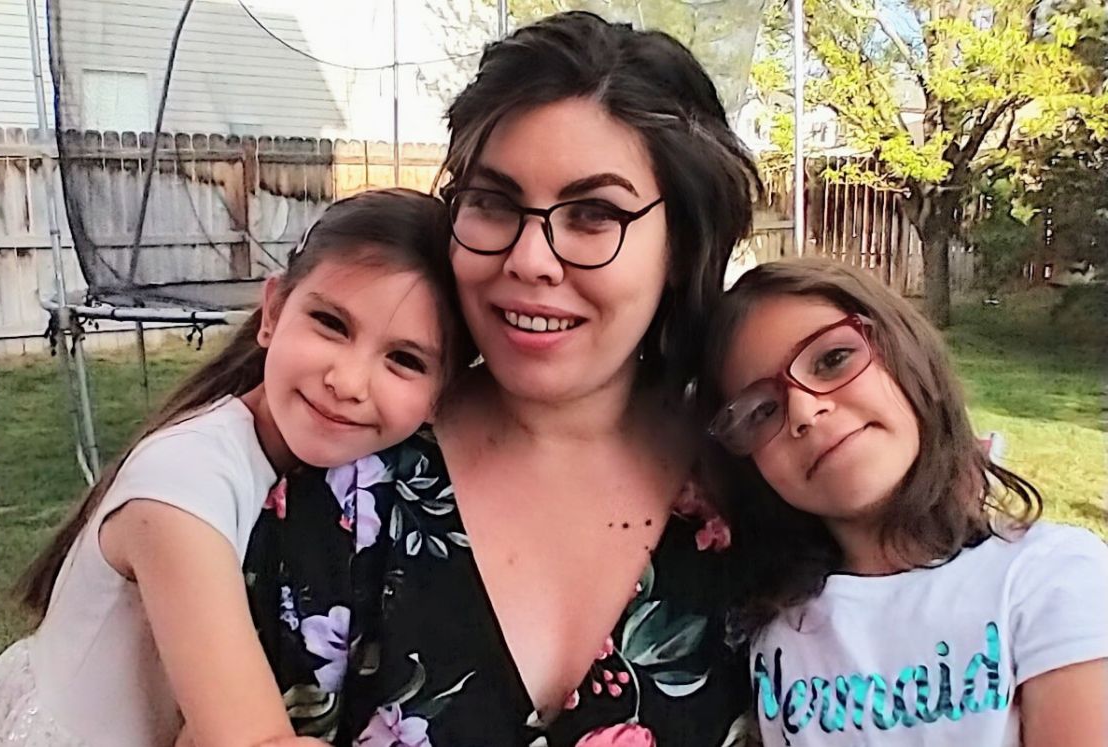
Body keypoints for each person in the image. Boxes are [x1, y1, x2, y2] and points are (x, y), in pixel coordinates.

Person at [244, 11, 762, 747]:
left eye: (592, 214)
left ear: (680, 243)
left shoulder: (759, 489)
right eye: (493, 203)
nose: (530, 260)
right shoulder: (352, 477)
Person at [0, 189, 469, 747]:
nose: (348, 382)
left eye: (404, 360)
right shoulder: (184, 489)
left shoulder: (311, 468)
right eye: (331, 324)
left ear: (445, 394)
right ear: (272, 313)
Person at [700, 258, 1108, 747]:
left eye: (832, 359)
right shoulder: (771, 625)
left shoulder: (1050, 578)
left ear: (907, 353)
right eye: (760, 410)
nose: (805, 411)